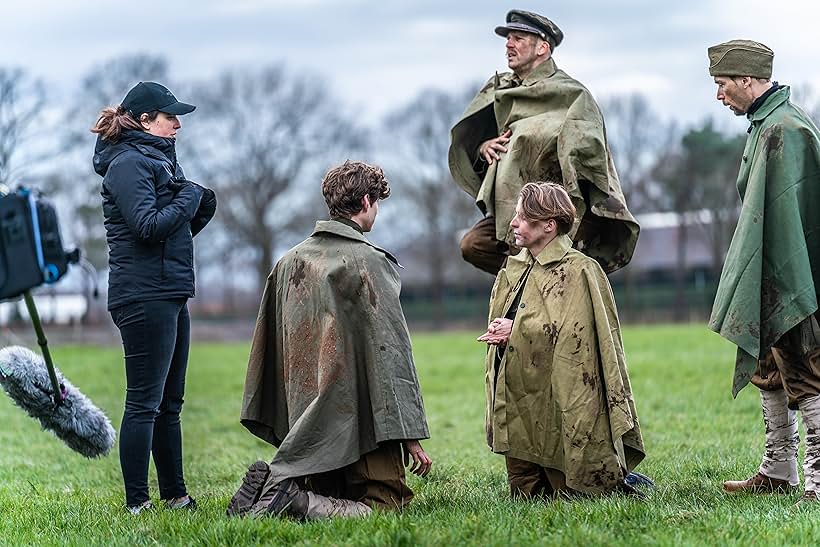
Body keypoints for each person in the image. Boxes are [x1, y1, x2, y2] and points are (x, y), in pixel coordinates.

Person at [228, 160, 432, 520]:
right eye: (378, 203)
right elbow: (391, 353)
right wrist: (409, 434)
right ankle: (293, 499)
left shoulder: (288, 261)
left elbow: (268, 349)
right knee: (388, 508)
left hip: (309, 428)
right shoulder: (369, 261)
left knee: (332, 491)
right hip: (364, 422)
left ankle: (275, 490)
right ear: (367, 202)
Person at [91, 81, 217, 514]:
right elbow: (146, 226)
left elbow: (168, 230)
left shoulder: (157, 161)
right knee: (144, 402)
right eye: (170, 117)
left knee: (170, 403)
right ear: (145, 121)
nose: (178, 124)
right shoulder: (127, 163)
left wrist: (196, 205)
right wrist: (187, 197)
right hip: (143, 295)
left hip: (168, 289)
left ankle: (176, 496)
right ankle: (137, 502)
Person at [479, 181, 645, 499]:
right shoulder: (512, 269)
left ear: (548, 226)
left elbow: (576, 340)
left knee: (575, 493)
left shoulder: (581, 271)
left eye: (523, 218)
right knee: (526, 497)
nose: (512, 223)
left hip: (561, 405)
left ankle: (620, 485)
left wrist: (518, 330)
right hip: (519, 401)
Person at [707, 40, 820, 504]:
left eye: (723, 84)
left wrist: (783, 278)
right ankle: (779, 468)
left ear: (749, 81)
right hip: (769, 269)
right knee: (768, 364)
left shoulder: (784, 129)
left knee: (805, 367)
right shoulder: (763, 124)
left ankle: (817, 479)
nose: (719, 94)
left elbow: (796, 217)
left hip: (793, 273)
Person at [449, 9, 639, 276]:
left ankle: (551, 283)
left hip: (563, 208)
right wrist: (483, 148)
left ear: (542, 48)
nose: (508, 44)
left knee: (559, 256)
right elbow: (470, 142)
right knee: (473, 245)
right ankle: (527, 281)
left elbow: (591, 158)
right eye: (507, 38)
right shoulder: (499, 90)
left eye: (518, 38)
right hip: (513, 208)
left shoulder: (572, 94)